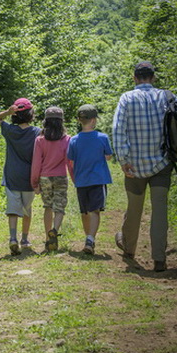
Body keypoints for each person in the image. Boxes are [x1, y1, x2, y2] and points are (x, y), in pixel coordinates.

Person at [112, 61, 177, 272]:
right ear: (153, 77)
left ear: (134, 77)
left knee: (134, 207)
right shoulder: (167, 96)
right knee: (160, 210)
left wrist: (123, 160)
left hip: (135, 166)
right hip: (162, 163)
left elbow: (118, 130)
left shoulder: (127, 98)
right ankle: (159, 259)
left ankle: (129, 249)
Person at [0, 98, 40, 255]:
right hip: (29, 177)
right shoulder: (36, 132)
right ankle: (25, 239)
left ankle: (13, 238)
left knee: (13, 210)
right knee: (27, 209)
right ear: (30, 114)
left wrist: (7, 112)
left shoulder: (10, 130)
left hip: (12, 175)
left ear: (15, 115)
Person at [67, 104, 113, 255]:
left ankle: (88, 238)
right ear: (94, 120)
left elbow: (71, 162)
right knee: (95, 211)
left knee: (84, 211)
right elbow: (108, 156)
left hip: (81, 180)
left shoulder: (73, 140)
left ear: (80, 120)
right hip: (98, 179)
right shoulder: (102, 137)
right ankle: (90, 239)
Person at [31, 106, 73, 252]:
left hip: (44, 177)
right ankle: (54, 230)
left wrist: (34, 182)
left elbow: (36, 163)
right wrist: (74, 178)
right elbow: (69, 162)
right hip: (61, 176)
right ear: (61, 122)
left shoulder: (39, 140)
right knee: (59, 207)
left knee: (48, 206)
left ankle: (48, 238)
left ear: (45, 121)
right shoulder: (67, 139)